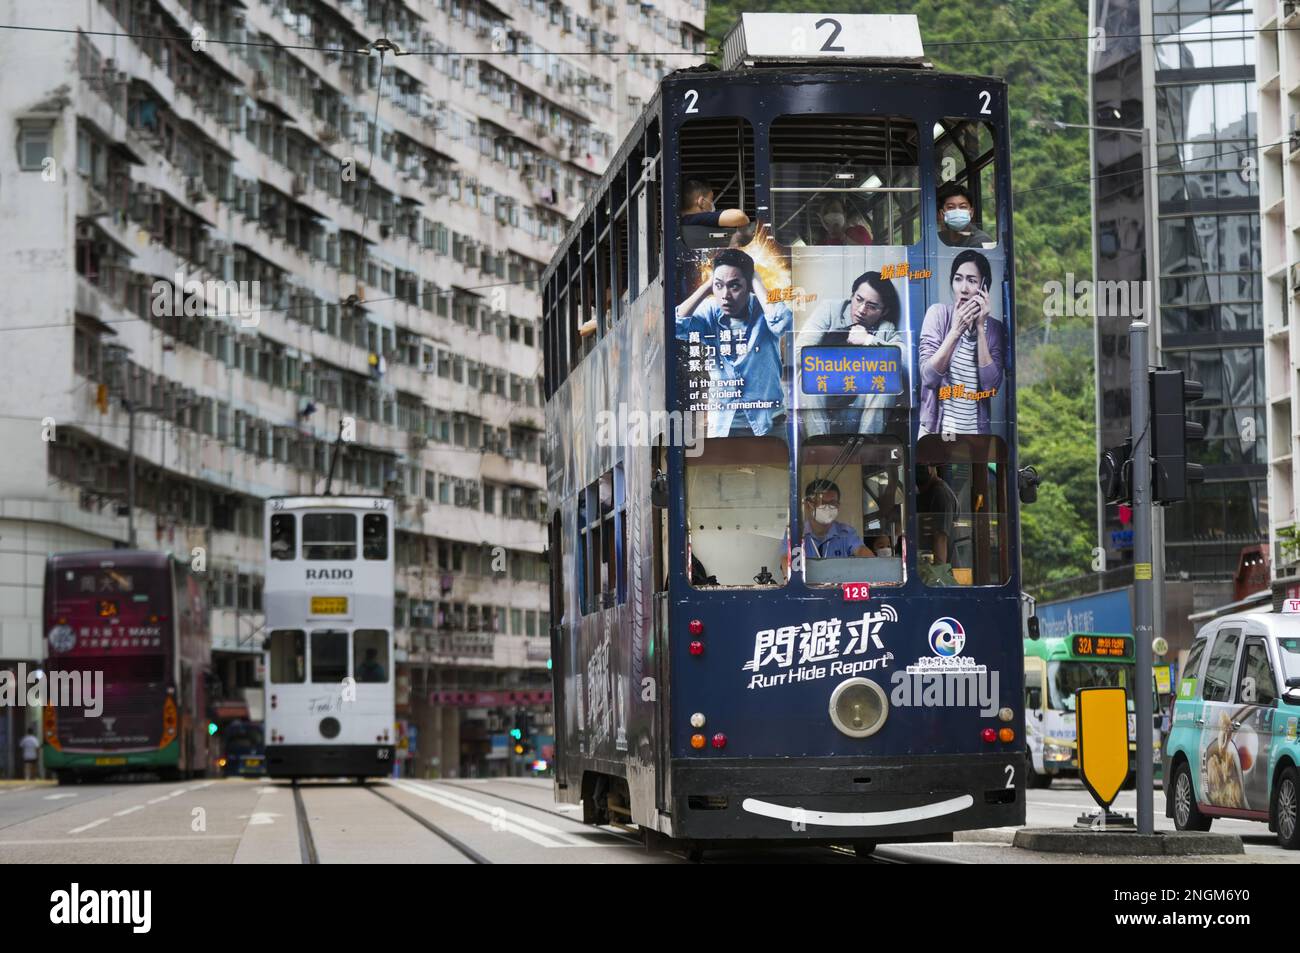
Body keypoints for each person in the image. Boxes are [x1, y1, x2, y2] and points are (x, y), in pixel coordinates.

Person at [675, 247, 793, 437]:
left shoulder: (764, 309)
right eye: (719, 286)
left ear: (749, 286)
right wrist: (707, 286)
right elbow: (675, 327)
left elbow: (782, 323)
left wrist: (757, 281)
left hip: (768, 422)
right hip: (724, 424)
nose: (725, 295)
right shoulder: (710, 311)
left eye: (735, 286)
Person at [798, 270, 901, 435]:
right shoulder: (830, 310)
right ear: (852, 296)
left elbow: (905, 361)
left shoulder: (885, 328)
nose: (861, 310)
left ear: (884, 311)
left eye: (872, 306)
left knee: (886, 378)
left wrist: (868, 340)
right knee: (806, 373)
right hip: (823, 403)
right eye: (858, 300)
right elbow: (799, 353)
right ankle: (819, 446)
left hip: (858, 409)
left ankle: (867, 449)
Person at [919, 250, 1004, 436]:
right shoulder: (938, 315)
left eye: (972, 281)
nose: (963, 288)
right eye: (958, 279)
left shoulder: (995, 329)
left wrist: (981, 329)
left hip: (975, 436)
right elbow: (928, 378)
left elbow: (990, 388)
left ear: (984, 287)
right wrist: (956, 331)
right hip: (936, 432)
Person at [915, 464, 958, 567]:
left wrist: (938, 574)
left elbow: (941, 537)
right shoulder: (922, 494)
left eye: (924, 464)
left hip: (939, 567)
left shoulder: (940, 494)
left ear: (932, 468)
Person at [936, 183, 994, 248]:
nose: (957, 212)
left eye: (963, 207)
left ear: (971, 212)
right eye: (951, 207)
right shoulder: (938, 239)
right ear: (942, 213)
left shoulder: (981, 240)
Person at [680, 178, 750, 229]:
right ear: (701, 202)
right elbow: (739, 216)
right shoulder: (692, 219)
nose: (712, 203)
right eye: (711, 199)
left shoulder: (680, 220)